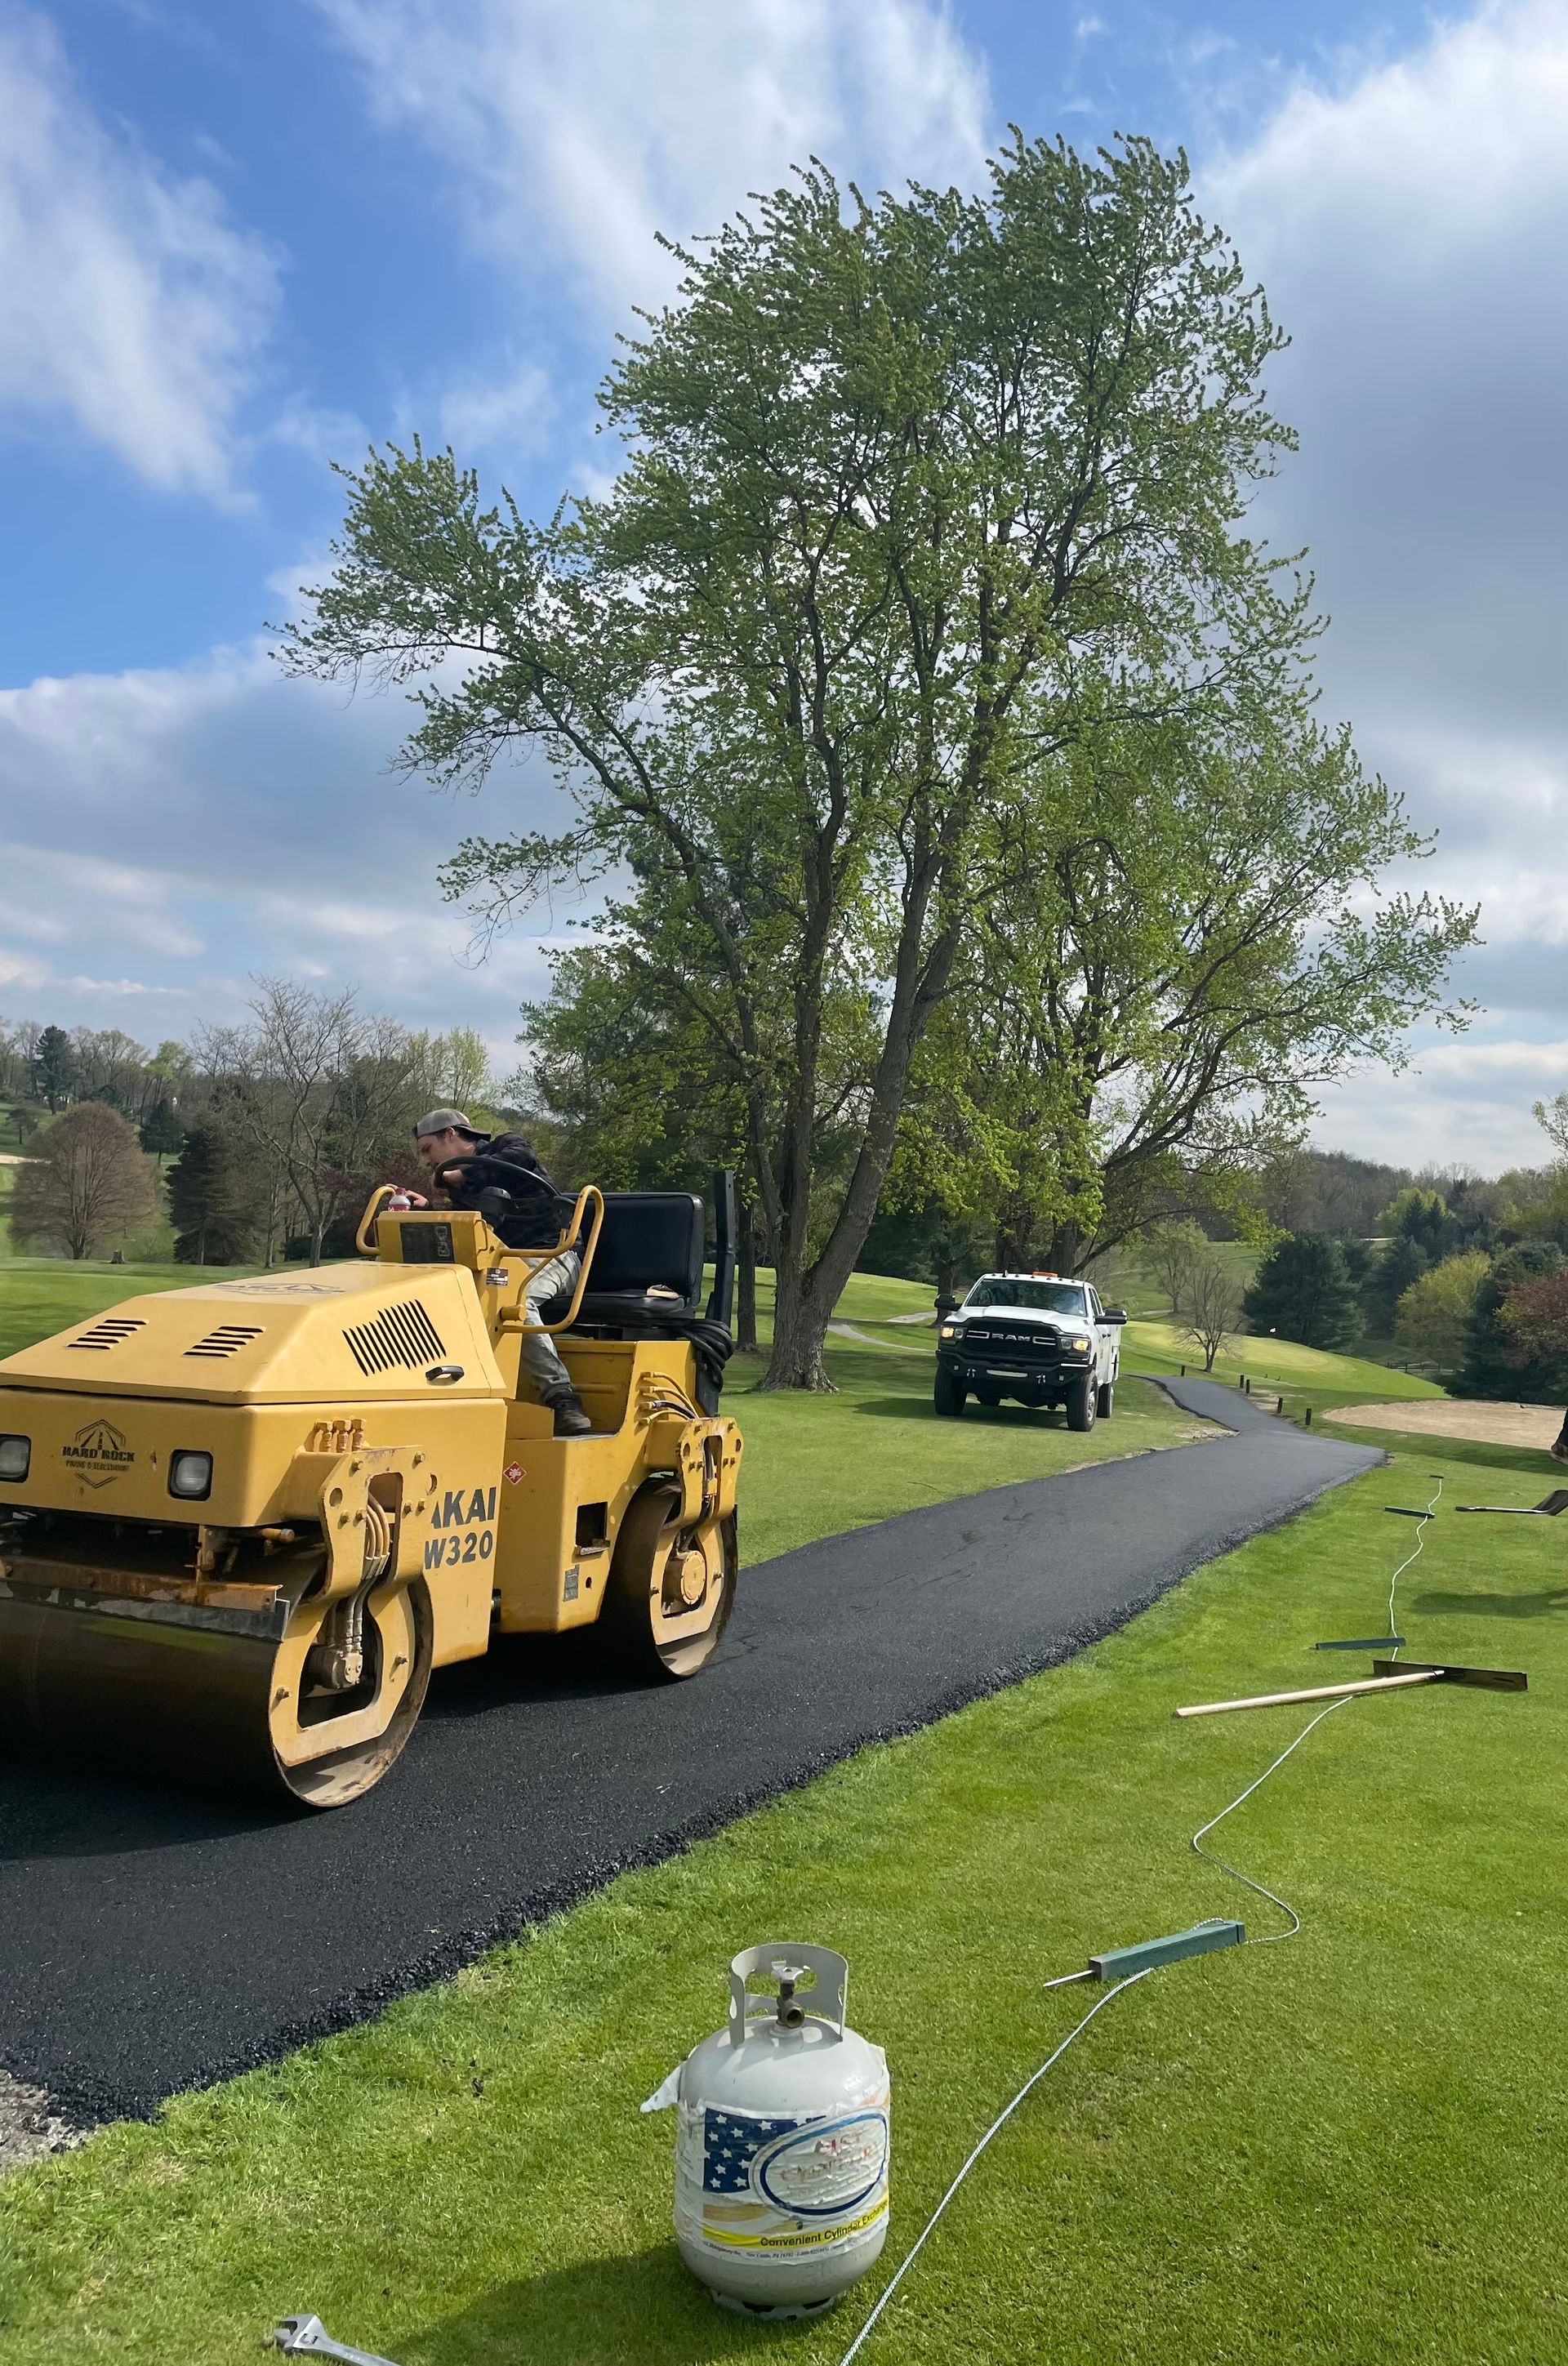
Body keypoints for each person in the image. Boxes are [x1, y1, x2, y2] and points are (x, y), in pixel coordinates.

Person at [407, 1108, 592, 1437]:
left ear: (450, 1135)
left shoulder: (509, 1148)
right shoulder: (464, 1190)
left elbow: (516, 1161)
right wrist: (428, 1209)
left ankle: (562, 1396)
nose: (426, 1162)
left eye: (427, 1150)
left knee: (517, 1300)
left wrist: (462, 1178)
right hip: (502, 1263)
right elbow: (470, 1226)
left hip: (553, 1254)